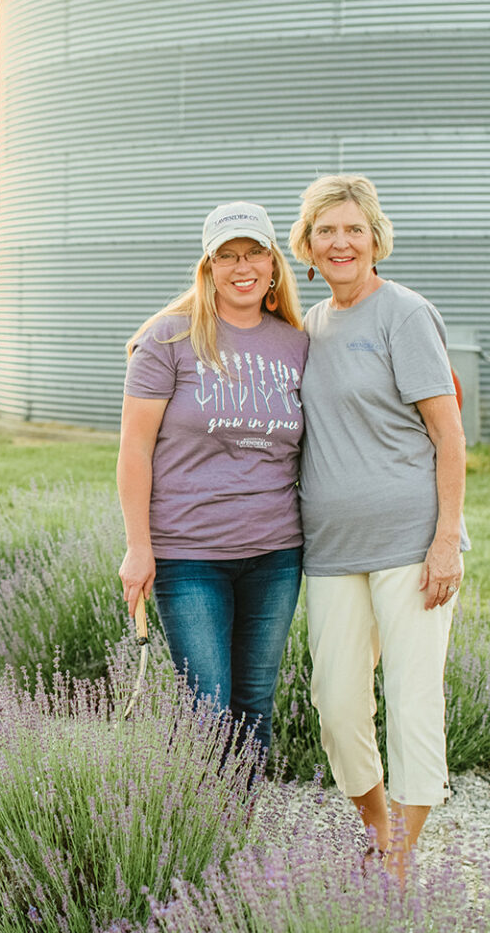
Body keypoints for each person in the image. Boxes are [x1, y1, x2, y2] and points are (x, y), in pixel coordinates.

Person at [288, 174, 468, 878]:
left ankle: (397, 856)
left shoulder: (405, 314)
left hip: (410, 545)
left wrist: (447, 537)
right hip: (332, 552)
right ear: (305, 245)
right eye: (325, 231)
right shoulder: (310, 327)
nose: (340, 243)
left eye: (352, 230)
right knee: (335, 707)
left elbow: (449, 436)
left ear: (374, 239)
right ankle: (378, 821)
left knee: (413, 701)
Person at [118, 201, 308, 761]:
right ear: (208, 267)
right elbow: (134, 450)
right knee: (206, 710)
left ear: (273, 265)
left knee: (254, 704)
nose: (241, 266)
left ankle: (240, 838)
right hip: (189, 555)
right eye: (227, 256)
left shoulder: (296, 345)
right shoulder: (169, 340)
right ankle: (203, 837)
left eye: (253, 253)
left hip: (276, 555)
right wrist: (138, 548)